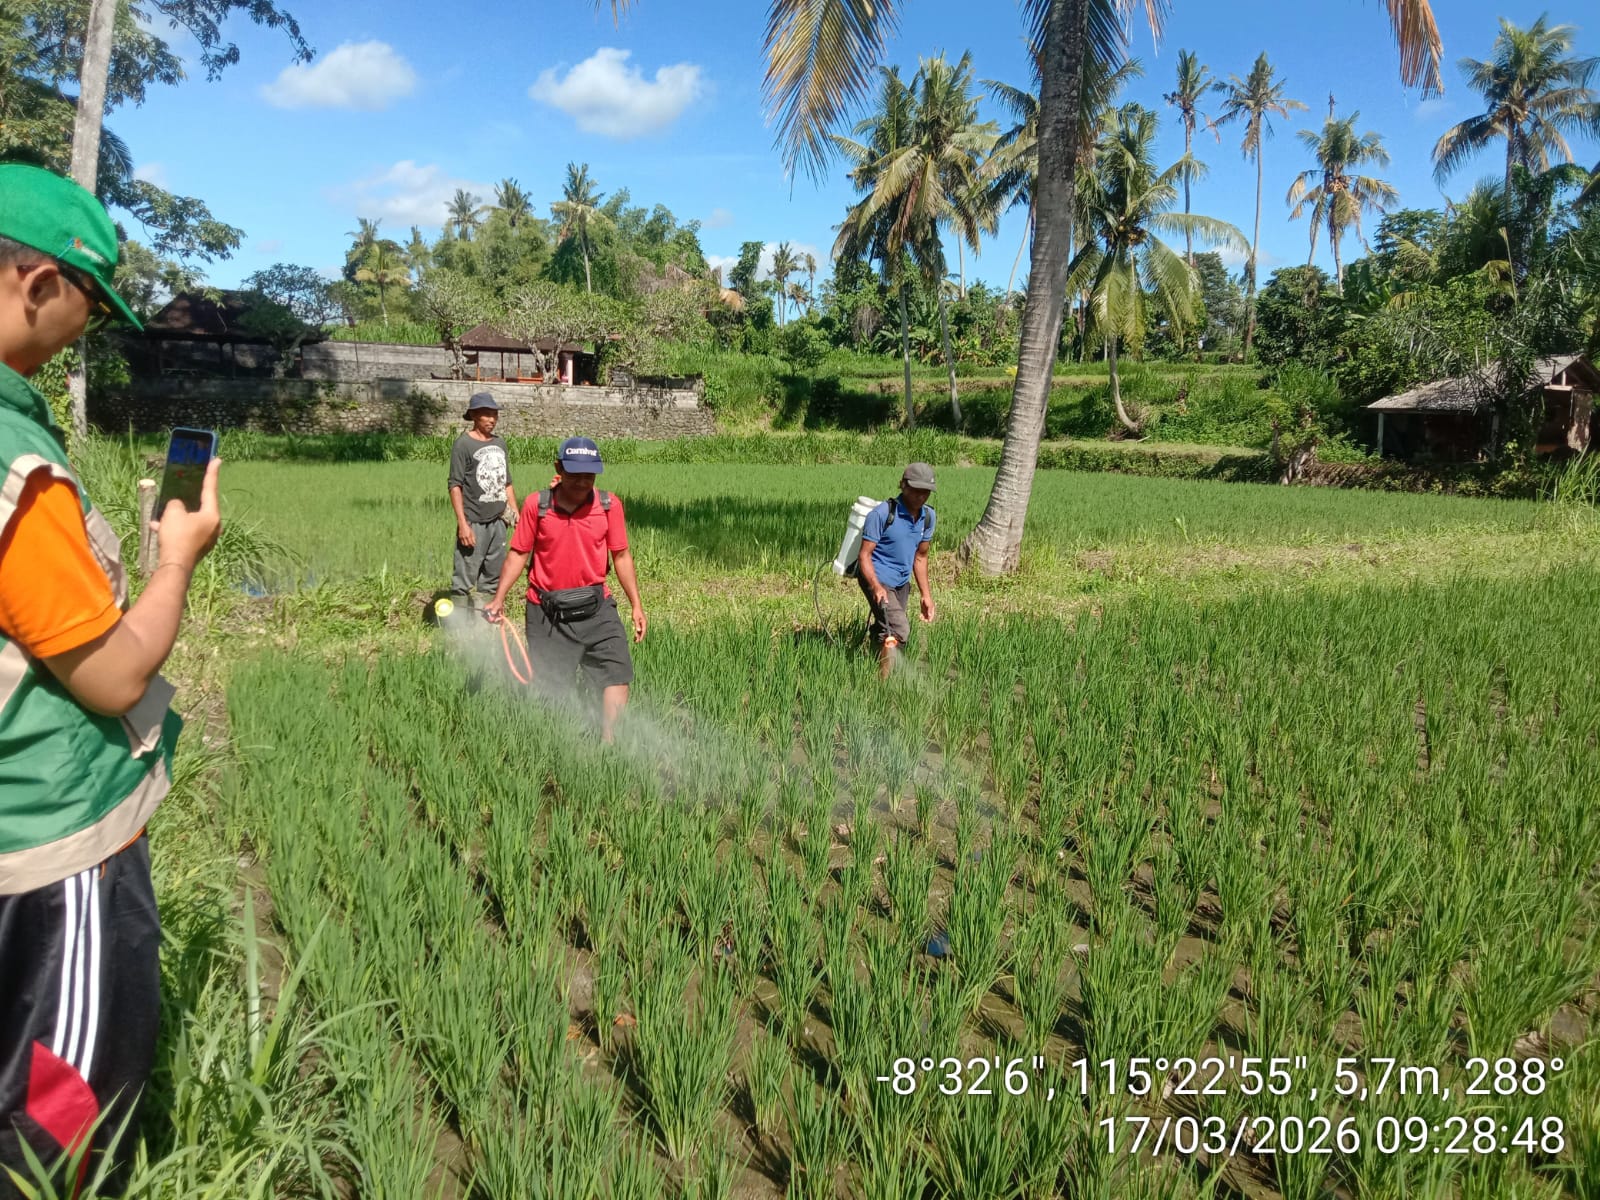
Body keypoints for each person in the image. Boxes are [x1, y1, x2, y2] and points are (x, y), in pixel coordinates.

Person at [0, 164, 222, 1193]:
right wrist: (175, 556)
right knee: (63, 1119)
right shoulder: (16, 463)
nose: (85, 327)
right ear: (36, 282)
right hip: (50, 852)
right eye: (88, 303)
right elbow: (113, 674)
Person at [483, 437, 645, 742]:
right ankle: (563, 748)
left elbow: (621, 555)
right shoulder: (537, 505)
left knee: (617, 673)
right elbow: (519, 553)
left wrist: (636, 604)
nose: (583, 482)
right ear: (559, 468)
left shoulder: (609, 506)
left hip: (596, 608)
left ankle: (611, 746)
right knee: (553, 692)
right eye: (575, 474)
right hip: (547, 613)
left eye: (589, 475)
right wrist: (499, 598)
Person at [856, 462, 938, 678]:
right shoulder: (882, 514)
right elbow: (864, 555)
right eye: (916, 490)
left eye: (926, 492)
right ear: (903, 485)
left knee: (885, 629)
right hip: (876, 577)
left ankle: (872, 669)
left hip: (901, 583)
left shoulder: (928, 517)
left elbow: (920, 557)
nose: (921, 496)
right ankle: (884, 684)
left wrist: (926, 595)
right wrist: (876, 586)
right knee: (899, 630)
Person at [447, 393, 516, 609]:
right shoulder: (463, 444)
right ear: (474, 416)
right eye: (486, 414)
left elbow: (507, 482)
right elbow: (455, 485)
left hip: (498, 521)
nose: (492, 419)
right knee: (464, 576)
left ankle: (486, 621)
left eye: (494, 415)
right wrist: (463, 524)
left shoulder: (500, 443)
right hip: (474, 521)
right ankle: (458, 626)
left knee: (493, 575)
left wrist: (514, 511)